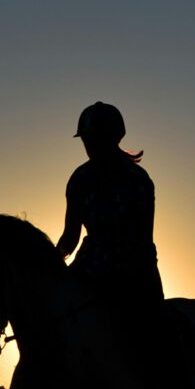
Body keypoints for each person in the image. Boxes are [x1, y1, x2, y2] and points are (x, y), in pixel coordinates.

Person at [56, 102, 164, 321]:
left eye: (94, 139)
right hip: (87, 268)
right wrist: (51, 264)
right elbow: (70, 236)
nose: (89, 145)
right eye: (87, 140)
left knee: (157, 331)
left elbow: (143, 239)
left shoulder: (138, 180)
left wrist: (120, 275)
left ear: (113, 137)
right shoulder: (79, 179)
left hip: (135, 272)